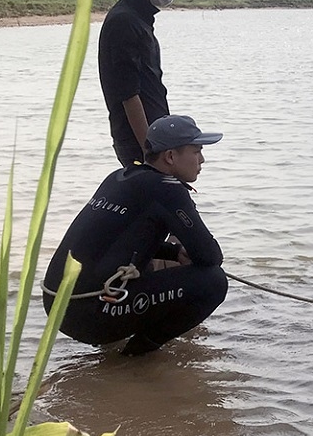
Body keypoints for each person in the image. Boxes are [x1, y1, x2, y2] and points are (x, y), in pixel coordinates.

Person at [43, 115, 228, 356]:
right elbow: (210, 257)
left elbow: (117, 239)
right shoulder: (167, 189)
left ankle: (119, 346)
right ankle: (136, 357)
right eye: (196, 151)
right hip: (89, 312)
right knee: (213, 282)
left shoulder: (119, 178)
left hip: (58, 306)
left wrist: (173, 252)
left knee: (148, 268)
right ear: (170, 156)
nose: (202, 159)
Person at [98, 0, 182, 167]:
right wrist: (150, 151)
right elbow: (129, 94)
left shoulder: (139, 19)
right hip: (140, 143)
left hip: (153, 139)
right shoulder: (125, 21)